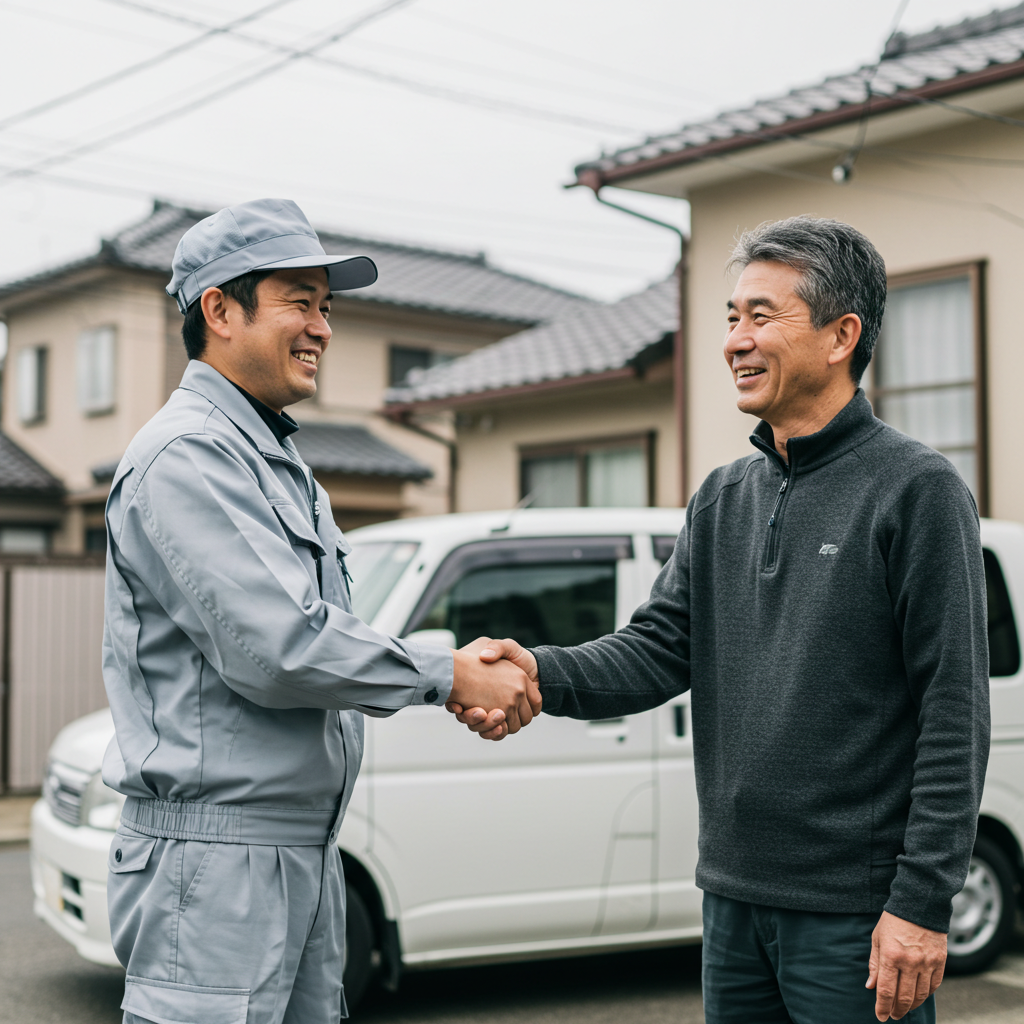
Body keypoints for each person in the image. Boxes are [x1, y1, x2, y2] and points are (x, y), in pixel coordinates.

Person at [451, 217, 990, 1023]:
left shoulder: (916, 489)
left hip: (857, 911)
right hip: (733, 897)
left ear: (843, 334)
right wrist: (536, 672)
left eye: (761, 316)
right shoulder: (722, 496)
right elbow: (656, 651)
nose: (736, 339)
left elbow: (955, 710)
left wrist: (921, 903)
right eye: (732, 317)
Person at [101, 198, 537, 1024]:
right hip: (217, 861)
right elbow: (280, 646)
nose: (322, 328)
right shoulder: (189, 452)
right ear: (219, 311)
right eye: (298, 301)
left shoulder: (273, 457)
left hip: (295, 849)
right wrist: (447, 675)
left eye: (325, 307)